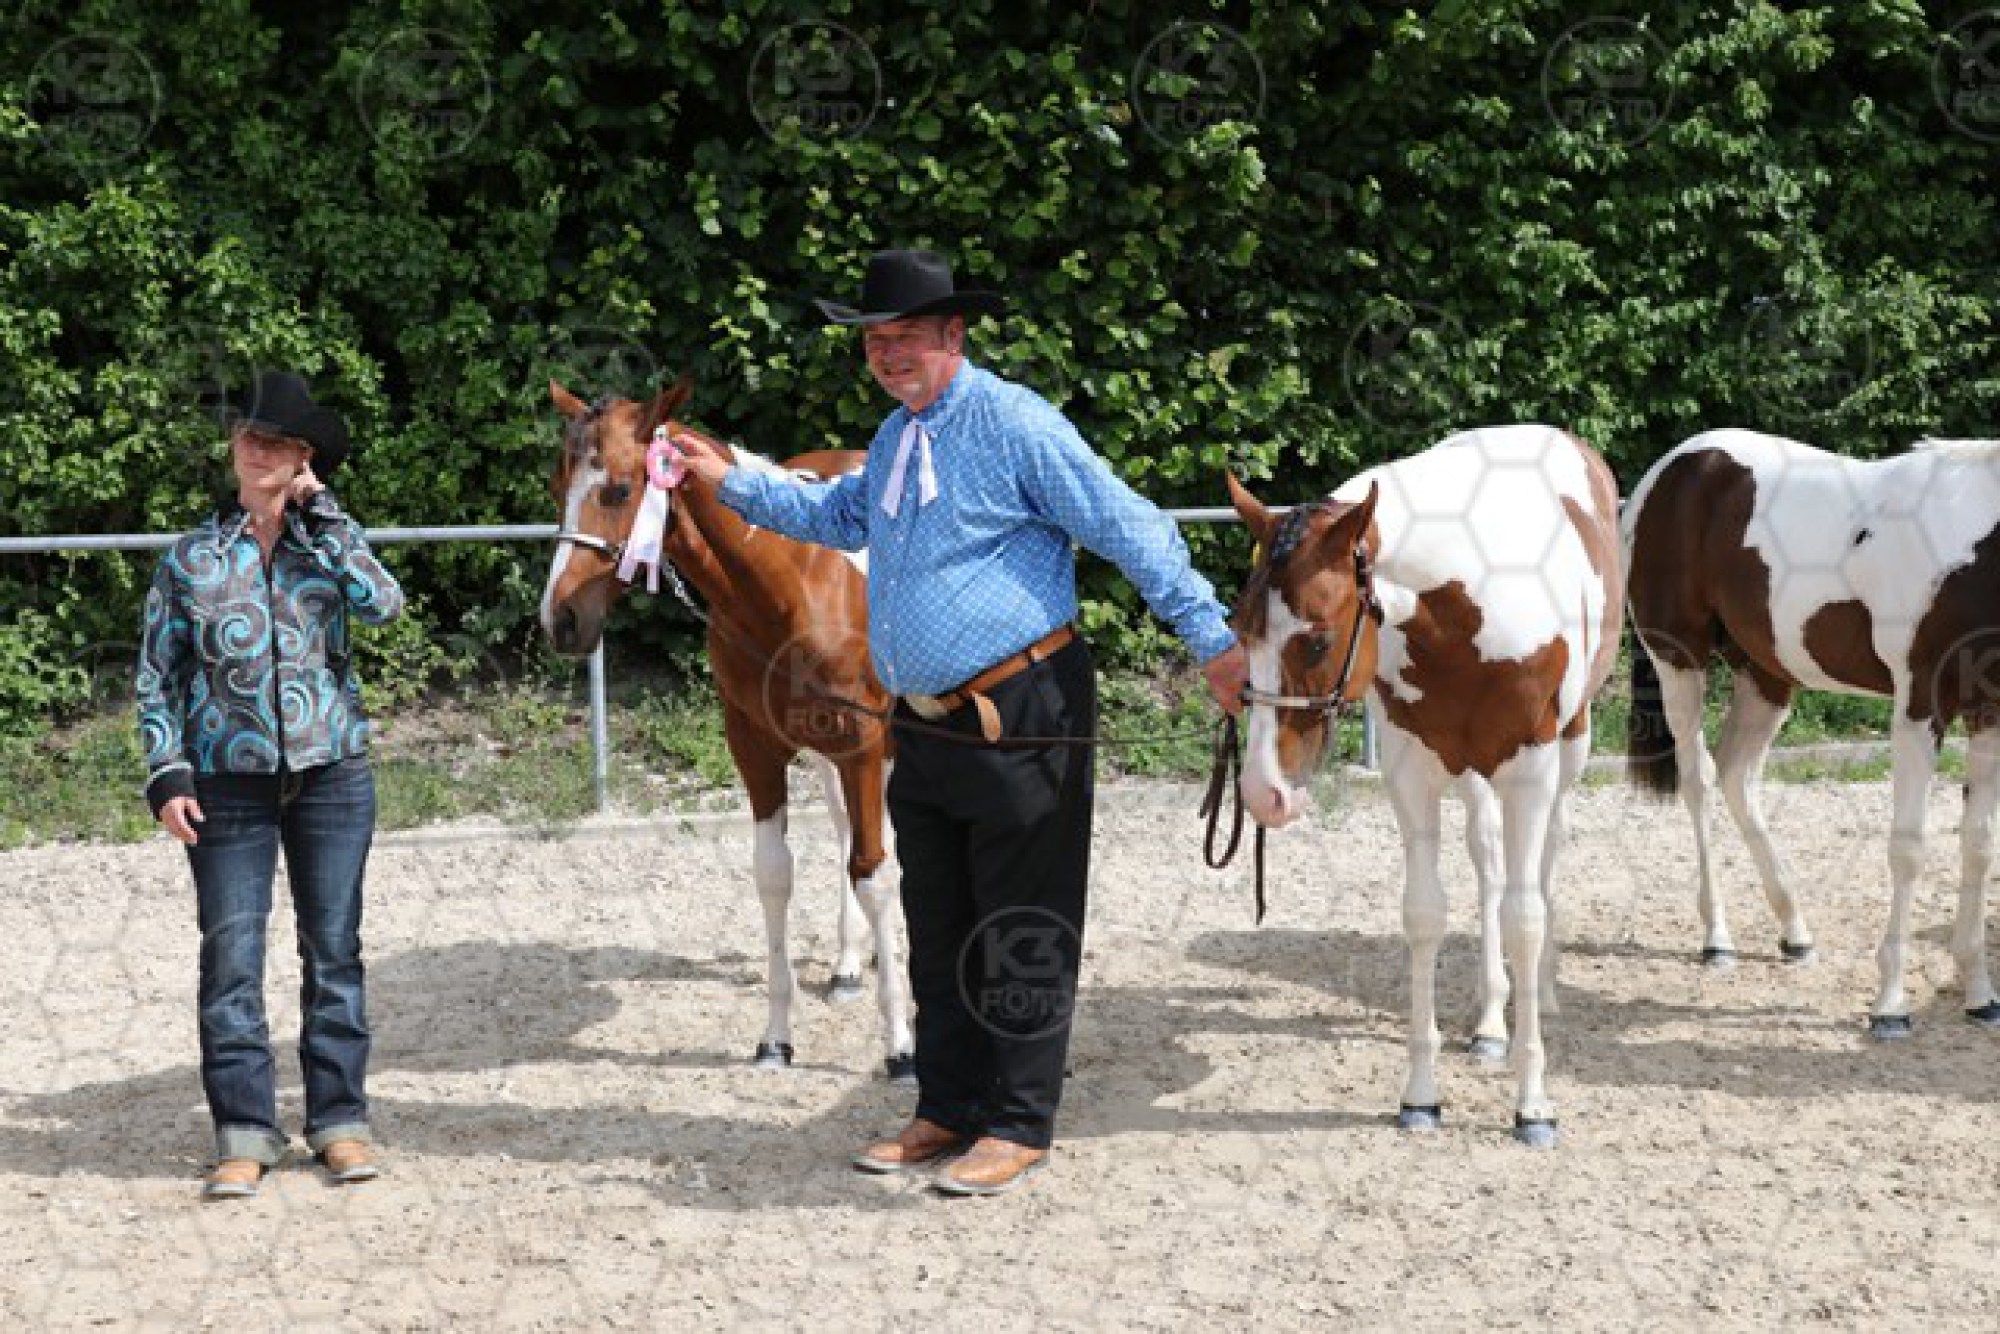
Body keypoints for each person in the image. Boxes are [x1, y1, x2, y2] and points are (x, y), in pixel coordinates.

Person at [673, 249, 1248, 1196]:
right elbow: (837, 515)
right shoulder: (896, 435)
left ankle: (1017, 1120)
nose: (886, 354)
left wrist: (1212, 639)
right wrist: (727, 478)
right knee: (938, 917)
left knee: (1022, 916)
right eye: (874, 340)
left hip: (1021, 705)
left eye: (904, 337)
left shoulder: (1017, 424)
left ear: (953, 334)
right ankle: (945, 1105)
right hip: (921, 719)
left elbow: (1130, 524)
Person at [136, 371, 404, 1200]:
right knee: (231, 958)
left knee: (334, 951)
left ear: (303, 458)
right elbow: (156, 676)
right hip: (225, 784)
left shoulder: (329, 542)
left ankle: (339, 1121)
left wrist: (325, 514)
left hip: (332, 778)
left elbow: (384, 604)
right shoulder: (190, 558)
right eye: (249, 437)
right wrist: (166, 772)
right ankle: (245, 1131)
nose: (257, 451)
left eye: (277, 442)